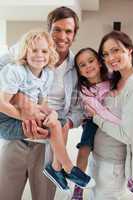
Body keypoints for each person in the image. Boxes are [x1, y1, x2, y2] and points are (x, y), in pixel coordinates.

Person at [0, 6, 83, 200]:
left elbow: (79, 108)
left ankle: (66, 167)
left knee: (44, 196)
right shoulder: (27, 49)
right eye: (57, 29)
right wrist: (21, 101)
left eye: (68, 31)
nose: (62, 36)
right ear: (49, 29)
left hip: (49, 139)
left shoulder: (77, 65)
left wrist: (64, 124)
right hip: (16, 132)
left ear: (74, 34)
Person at [84, 31, 133, 200]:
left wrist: (96, 117)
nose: (110, 57)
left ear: (129, 50)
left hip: (112, 165)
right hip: (98, 157)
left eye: (115, 50)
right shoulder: (116, 78)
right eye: (105, 54)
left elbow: (128, 135)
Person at [71, 47, 122, 200]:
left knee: (125, 142)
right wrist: (118, 123)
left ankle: (129, 175)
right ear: (79, 71)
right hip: (92, 120)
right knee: (84, 148)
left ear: (100, 62)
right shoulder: (84, 89)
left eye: (91, 61)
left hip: (111, 116)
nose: (88, 66)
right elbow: (98, 110)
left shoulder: (112, 79)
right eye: (82, 65)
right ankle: (78, 187)